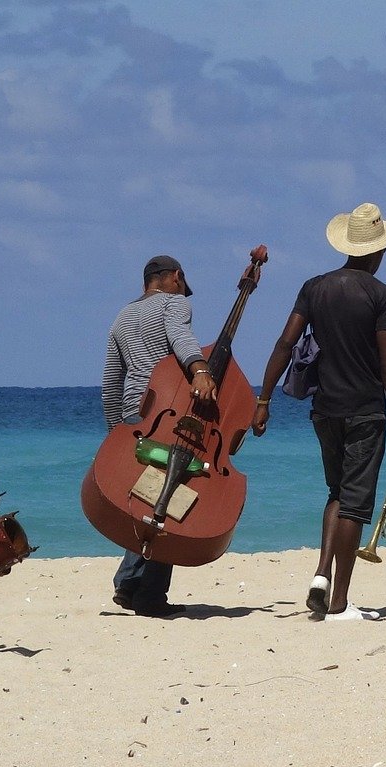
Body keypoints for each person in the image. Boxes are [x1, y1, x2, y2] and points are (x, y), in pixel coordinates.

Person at [251, 203, 386, 622]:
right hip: (364, 411)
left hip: (324, 411)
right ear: (377, 251)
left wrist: (263, 400)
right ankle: (339, 602)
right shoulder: (382, 296)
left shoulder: (314, 287)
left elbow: (284, 344)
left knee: (337, 494)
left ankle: (322, 575)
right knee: (357, 505)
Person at [100, 255, 217, 617]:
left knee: (145, 498)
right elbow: (180, 337)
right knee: (169, 500)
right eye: (182, 283)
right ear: (175, 278)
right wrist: (199, 368)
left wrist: (114, 433)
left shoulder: (122, 316)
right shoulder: (175, 303)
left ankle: (128, 583)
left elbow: (110, 382)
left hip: (134, 416)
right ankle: (150, 595)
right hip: (167, 411)